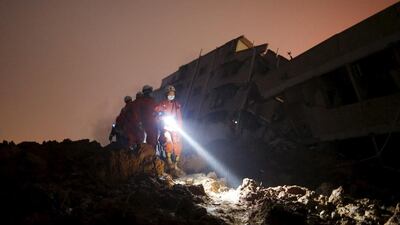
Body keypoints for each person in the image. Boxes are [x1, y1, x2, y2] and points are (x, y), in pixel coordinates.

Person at [155, 85, 183, 172]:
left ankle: (176, 163)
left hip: (174, 126)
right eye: (170, 93)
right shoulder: (162, 104)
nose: (171, 95)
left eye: (173, 93)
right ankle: (169, 160)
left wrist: (180, 127)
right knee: (169, 141)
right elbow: (156, 111)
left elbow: (179, 117)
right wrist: (160, 115)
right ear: (166, 94)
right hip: (166, 126)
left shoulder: (176, 104)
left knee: (177, 143)